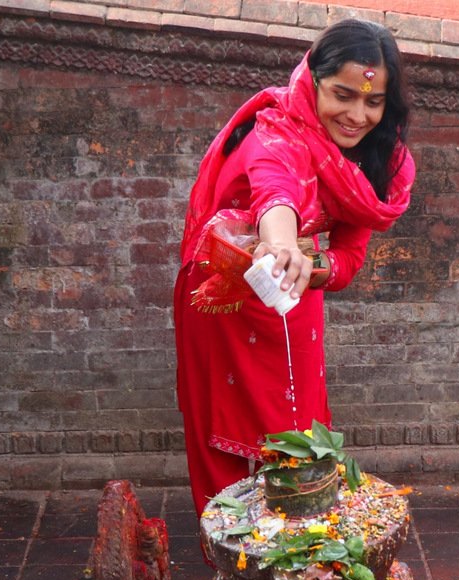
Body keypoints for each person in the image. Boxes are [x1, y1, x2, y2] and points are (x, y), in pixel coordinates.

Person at [174, 19, 416, 515]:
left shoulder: (375, 160)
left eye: (373, 101)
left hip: (294, 296)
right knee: (226, 446)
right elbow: (274, 190)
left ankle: (303, 562)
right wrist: (282, 245)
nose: (357, 114)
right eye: (343, 95)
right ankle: (236, 564)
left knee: (301, 436)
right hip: (224, 298)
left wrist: (310, 264)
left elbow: (349, 258)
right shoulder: (275, 132)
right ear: (312, 82)